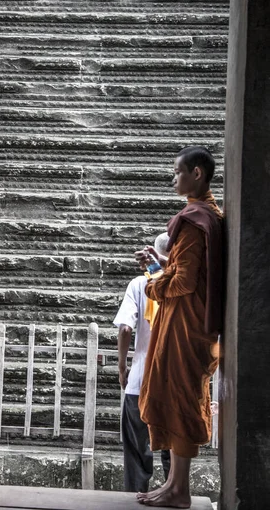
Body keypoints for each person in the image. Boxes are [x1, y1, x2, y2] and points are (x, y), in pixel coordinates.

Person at [135, 146, 223, 508]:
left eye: (178, 172)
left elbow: (184, 282)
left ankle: (180, 491)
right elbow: (192, 268)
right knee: (177, 398)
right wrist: (163, 261)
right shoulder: (209, 216)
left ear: (197, 174)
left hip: (186, 327)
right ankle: (173, 484)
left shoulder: (194, 218)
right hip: (192, 324)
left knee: (182, 401)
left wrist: (152, 283)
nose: (174, 179)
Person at [114, 233, 170, 493]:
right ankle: (173, 492)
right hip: (172, 382)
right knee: (173, 450)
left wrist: (122, 366)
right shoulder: (185, 284)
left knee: (138, 450)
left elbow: (125, 328)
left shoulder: (139, 284)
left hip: (140, 380)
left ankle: (135, 499)